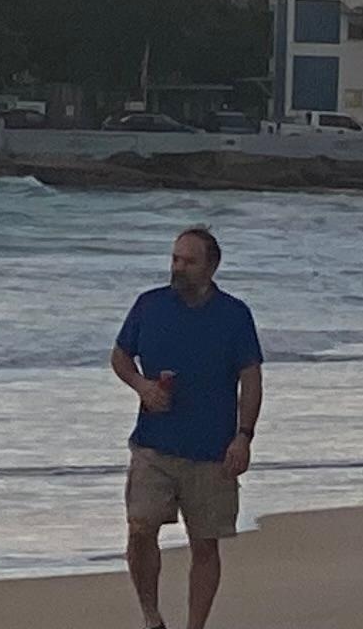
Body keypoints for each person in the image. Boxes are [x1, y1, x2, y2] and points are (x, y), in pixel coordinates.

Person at [112, 224, 263, 629]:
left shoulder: (234, 315)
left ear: (211, 267)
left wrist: (244, 437)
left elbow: (251, 378)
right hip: (153, 446)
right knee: (140, 527)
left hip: (212, 451)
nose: (178, 267)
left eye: (189, 261)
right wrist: (142, 386)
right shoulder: (150, 305)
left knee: (205, 544)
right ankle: (151, 619)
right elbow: (120, 356)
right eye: (175, 259)